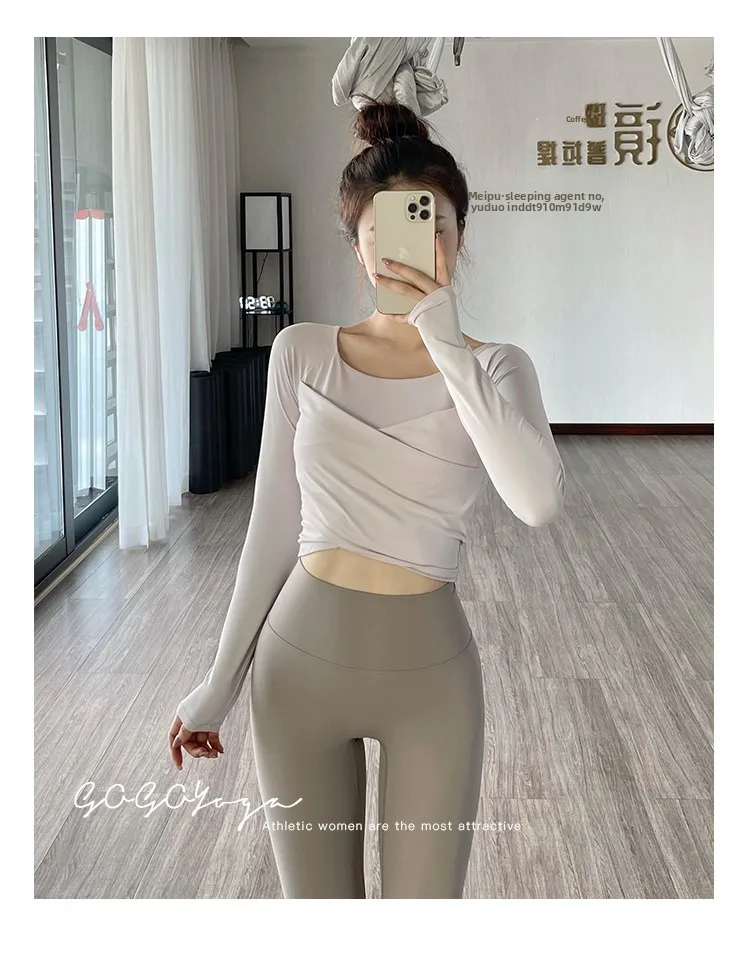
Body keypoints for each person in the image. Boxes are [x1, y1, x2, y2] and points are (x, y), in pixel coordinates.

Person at [168, 97, 566, 899]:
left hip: (432, 681)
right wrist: (219, 682)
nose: (410, 252)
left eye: (433, 228)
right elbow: (272, 530)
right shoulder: (302, 352)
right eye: (381, 236)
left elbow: (537, 502)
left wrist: (445, 343)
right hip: (297, 666)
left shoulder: (498, 368)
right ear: (356, 245)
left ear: (458, 237)